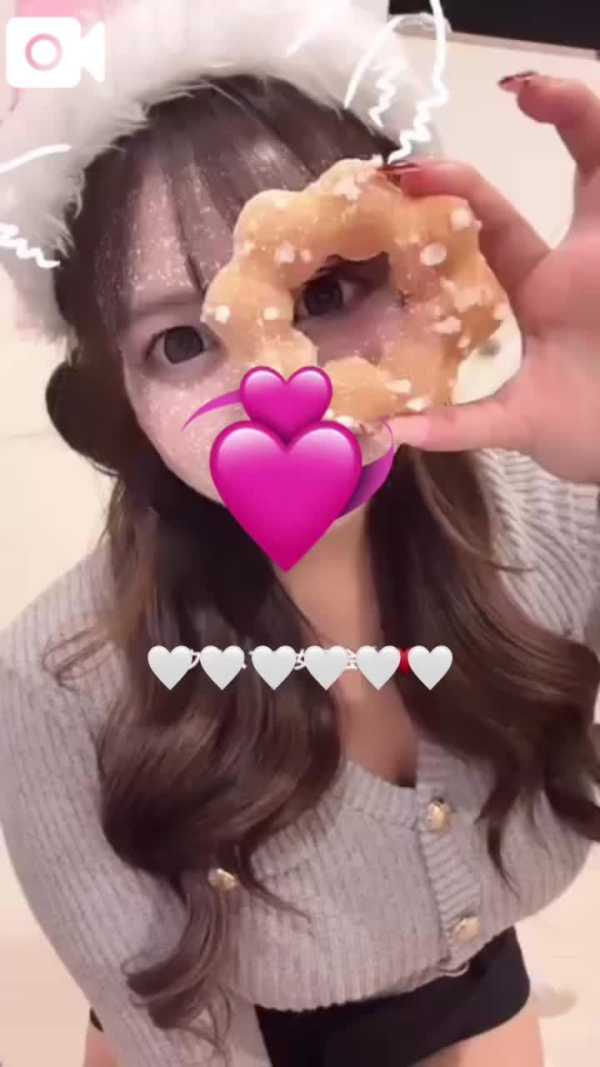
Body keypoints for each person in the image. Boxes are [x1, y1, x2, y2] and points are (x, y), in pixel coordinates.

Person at [0, 0, 600, 1060]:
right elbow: (161, 1019)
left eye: (327, 289)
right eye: (180, 341)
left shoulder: (561, 518)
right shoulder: (55, 680)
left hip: (473, 989)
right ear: (120, 399)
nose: (281, 386)